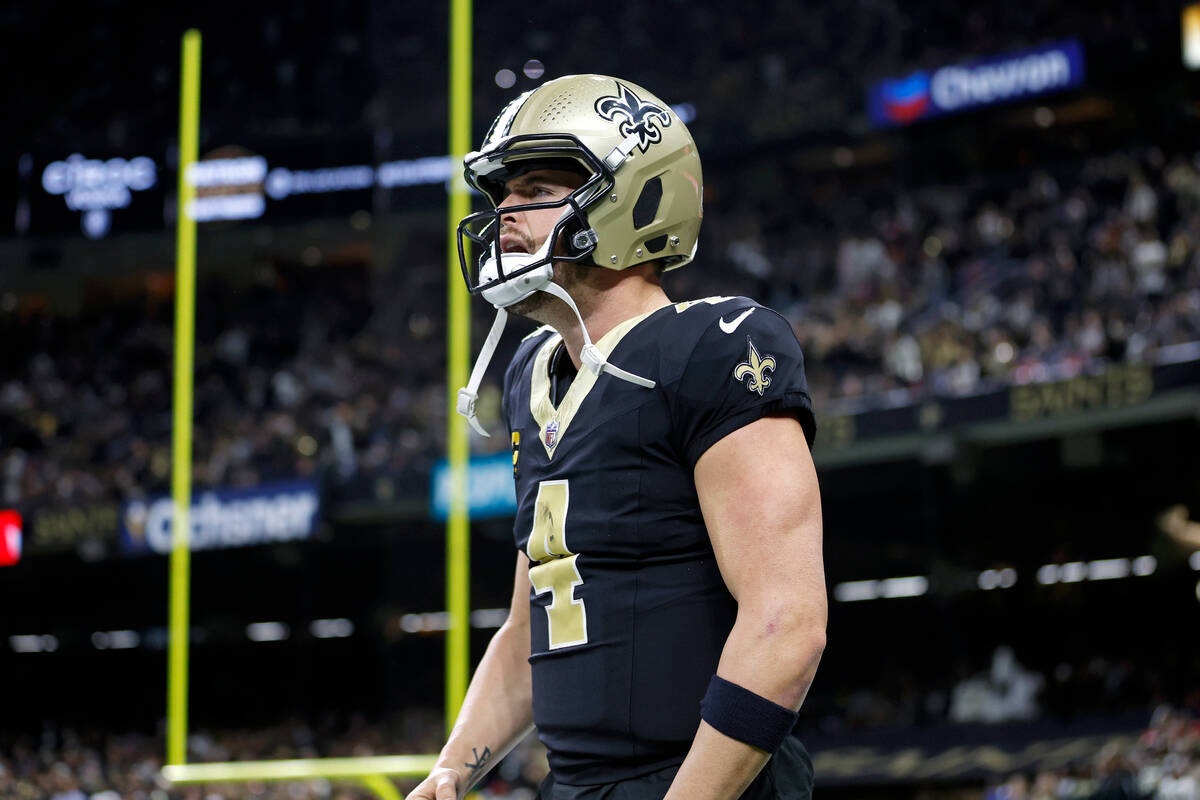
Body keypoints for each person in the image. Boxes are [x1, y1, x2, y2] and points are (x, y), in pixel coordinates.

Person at [408, 74, 825, 800]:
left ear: (634, 196)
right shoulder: (529, 373)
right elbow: (526, 631)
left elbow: (785, 623)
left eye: (535, 188)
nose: (504, 212)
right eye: (501, 193)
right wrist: (451, 771)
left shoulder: (714, 344)